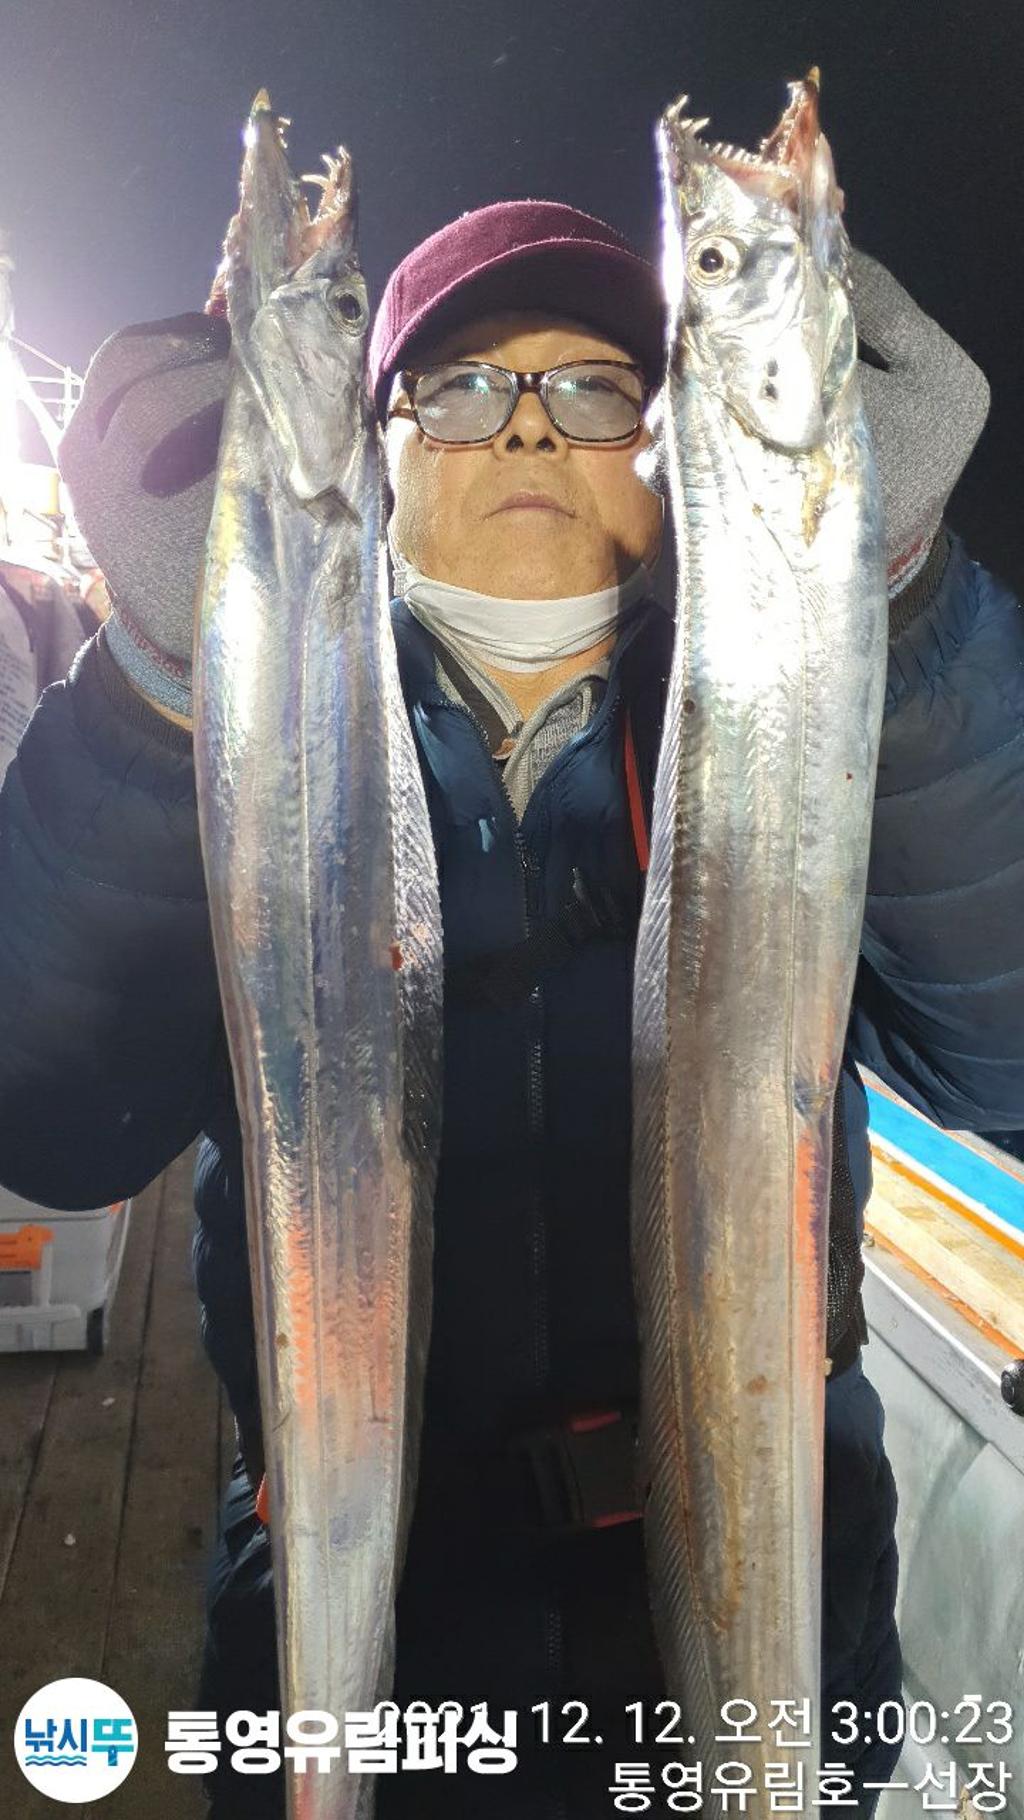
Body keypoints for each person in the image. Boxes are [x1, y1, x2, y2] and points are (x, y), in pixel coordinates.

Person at [1, 198, 1021, 1820]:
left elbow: (1007, 1061)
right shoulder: (270, 758)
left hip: (779, 1646)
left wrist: (893, 612)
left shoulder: (781, 741)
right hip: (370, 1671)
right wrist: (158, 682)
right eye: (462, 386)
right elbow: (50, 1120)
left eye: (599, 388)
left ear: (669, 456)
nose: (531, 426)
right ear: (380, 454)